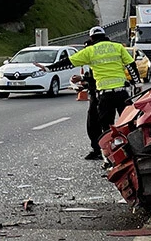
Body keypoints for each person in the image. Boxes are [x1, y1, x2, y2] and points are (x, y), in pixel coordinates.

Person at [36, 26, 139, 160]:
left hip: (105, 95)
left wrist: (48, 69)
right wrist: (137, 83)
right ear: (104, 35)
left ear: (92, 38)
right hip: (122, 93)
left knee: (106, 127)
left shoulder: (90, 51)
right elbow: (131, 65)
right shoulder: (118, 47)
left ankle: (111, 156)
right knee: (129, 122)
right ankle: (135, 151)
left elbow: (68, 62)